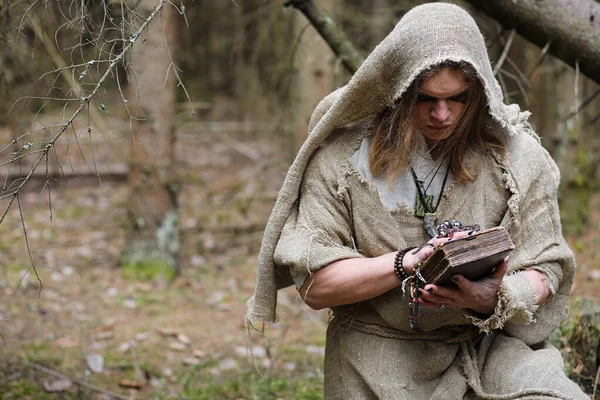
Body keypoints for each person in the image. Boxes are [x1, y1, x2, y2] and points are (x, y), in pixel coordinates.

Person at [247, 3, 588, 399]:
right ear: (399, 89)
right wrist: (404, 262)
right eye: (426, 99)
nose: (441, 115)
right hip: (378, 351)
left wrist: (494, 296)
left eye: (456, 99)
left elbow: (548, 264)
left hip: (485, 345)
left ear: (477, 94)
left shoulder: (516, 156)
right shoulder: (342, 156)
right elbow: (316, 285)